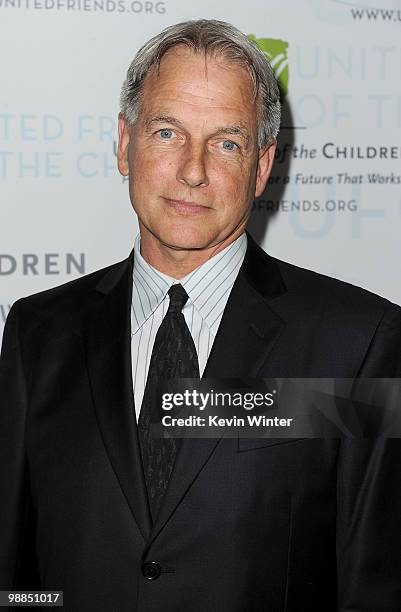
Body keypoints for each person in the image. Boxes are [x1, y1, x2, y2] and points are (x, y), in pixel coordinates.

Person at [1, 19, 400, 612]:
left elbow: (373, 589)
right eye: (167, 132)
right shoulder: (37, 333)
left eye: (226, 142)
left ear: (262, 167)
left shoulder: (358, 344)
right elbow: (16, 579)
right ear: (123, 142)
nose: (192, 170)